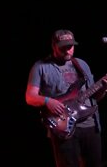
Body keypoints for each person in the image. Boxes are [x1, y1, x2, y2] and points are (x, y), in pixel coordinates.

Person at [25, 29, 107, 167]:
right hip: (63, 128)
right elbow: (29, 97)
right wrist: (48, 101)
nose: (68, 50)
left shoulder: (82, 64)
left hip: (90, 126)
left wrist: (104, 88)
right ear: (53, 45)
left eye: (71, 47)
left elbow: (94, 98)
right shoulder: (40, 67)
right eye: (64, 47)